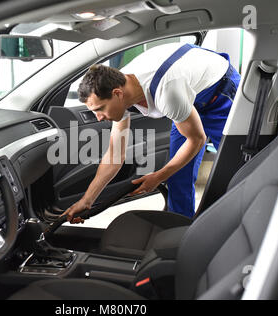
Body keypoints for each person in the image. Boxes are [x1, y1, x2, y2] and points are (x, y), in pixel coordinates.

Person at [63, 42, 241, 223]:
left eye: (100, 109)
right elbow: (115, 155)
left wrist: (158, 176)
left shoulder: (168, 92)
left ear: (118, 94)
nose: (99, 117)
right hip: (187, 93)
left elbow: (197, 140)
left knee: (235, 168)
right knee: (177, 175)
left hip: (219, 92)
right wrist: (87, 200)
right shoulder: (119, 87)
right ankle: (179, 228)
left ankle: (239, 222)